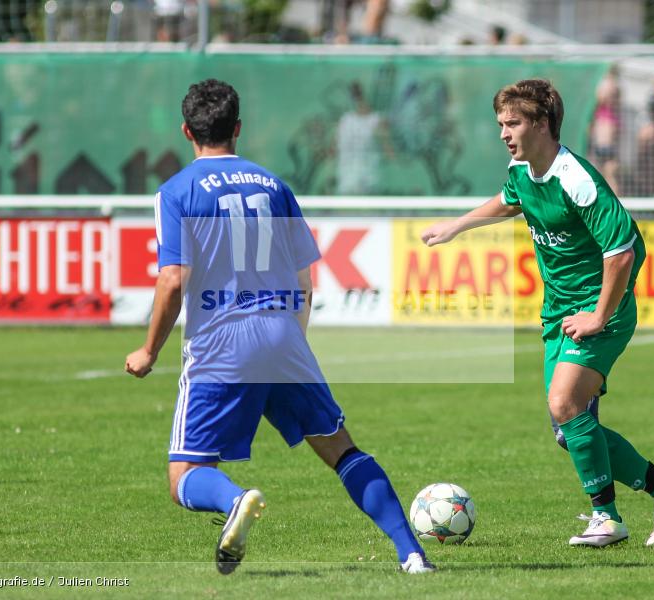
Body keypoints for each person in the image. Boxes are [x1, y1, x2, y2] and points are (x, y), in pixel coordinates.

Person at [125, 79, 433, 574]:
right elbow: (304, 278)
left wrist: (148, 350)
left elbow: (172, 280)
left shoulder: (176, 191)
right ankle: (412, 554)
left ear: (186, 131)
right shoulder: (273, 186)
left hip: (222, 342)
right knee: (342, 450)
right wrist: (291, 342)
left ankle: (235, 501)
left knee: (184, 475)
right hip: (282, 333)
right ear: (238, 128)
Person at [420, 79, 654, 547]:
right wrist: (458, 226)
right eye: (501, 124)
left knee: (565, 404)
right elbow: (510, 200)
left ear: (542, 124)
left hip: (600, 308)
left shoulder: (577, 179)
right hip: (559, 312)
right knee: (569, 430)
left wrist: (598, 316)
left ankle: (607, 518)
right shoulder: (522, 170)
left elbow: (622, 252)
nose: (504, 133)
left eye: (513, 123)